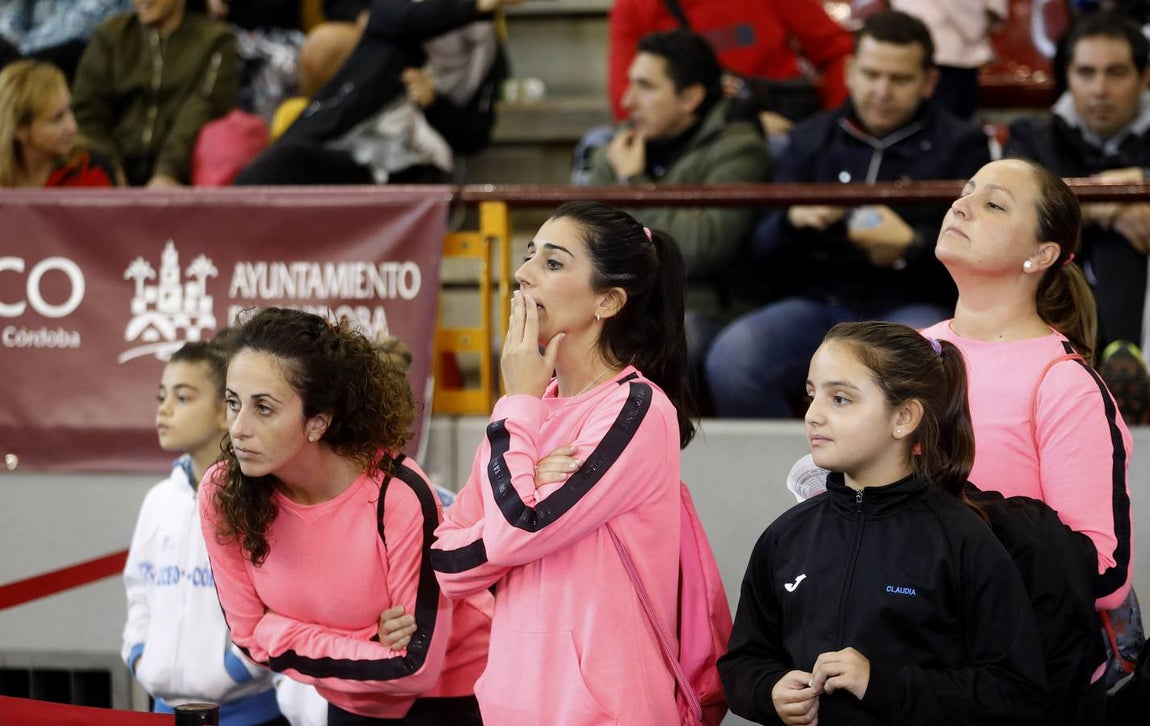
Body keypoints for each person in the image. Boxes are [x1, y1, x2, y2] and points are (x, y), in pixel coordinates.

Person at [429, 202, 697, 725]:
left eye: (552, 263)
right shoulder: (528, 406)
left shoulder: (635, 409)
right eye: (529, 257)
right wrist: (523, 488)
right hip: (510, 705)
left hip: (603, 711)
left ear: (608, 301)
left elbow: (515, 531)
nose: (522, 274)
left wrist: (518, 504)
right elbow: (446, 564)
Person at [718, 321, 1049, 725]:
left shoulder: (963, 540)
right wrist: (769, 691)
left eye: (840, 399)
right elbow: (742, 662)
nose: (813, 415)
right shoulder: (785, 536)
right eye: (810, 395)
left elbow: (1017, 693)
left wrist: (881, 684)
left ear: (904, 417)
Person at [199, 307, 492, 725]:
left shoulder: (398, 494)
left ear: (316, 423)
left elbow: (414, 667)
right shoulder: (221, 491)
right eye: (233, 403)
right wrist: (367, 638)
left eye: (263, 408)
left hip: (454, 695)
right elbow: (248, 637)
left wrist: (280, 629)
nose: (239, 428)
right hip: (352, 694)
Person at [705, 9, 993, 418]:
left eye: (900, 79)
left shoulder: (963, 146)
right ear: (850, 71)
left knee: (925, 365)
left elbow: (983, 259)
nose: (882, 90)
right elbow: (758, 258)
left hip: (913, 303)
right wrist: (791, 224)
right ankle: (795, 478)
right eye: (872, 74)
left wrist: (912, 245)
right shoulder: (809, 139)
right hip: (819, 302)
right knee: (736, 359)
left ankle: (901, 483)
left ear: (929, 82)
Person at [921, 157, 1135, 706]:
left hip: (1015, 676)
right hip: (904, 658)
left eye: (993, 203)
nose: (961, 205)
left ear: (1039, 255)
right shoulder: (905, 354)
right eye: (965, 190)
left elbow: (1105, 576)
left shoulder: (1064, 384)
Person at [581, 29, 773, 389]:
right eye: (630, 84)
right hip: (619, 303)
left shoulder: (738, 151)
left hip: (704, 308)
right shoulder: (617, 147)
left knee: (645, 344)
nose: (628, 100)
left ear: (690, 97)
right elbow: (587, 240)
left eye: (646, 87)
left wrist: (633, 184)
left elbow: (700, 248)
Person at [123, 338, 284, 724]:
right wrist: (141, 656)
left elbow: (280, 605)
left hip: (251, 712)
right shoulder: (159, 499)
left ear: (223, 411)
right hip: (165, 710)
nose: (163, 409)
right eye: (162, 395)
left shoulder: (263, 499)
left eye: (183, 397)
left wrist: (233, 670)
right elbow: (139, 591)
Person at [235, 0, 516, 185]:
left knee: (284, 163)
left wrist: (434, 103)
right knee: (278, 164)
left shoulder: (484, 50)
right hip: (342, 147)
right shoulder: (399, 22)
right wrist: (474, 5)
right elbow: (394, 17)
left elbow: (475, 136)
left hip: (406, 172)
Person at [1005, 11, 1150, 357]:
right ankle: (1106, 360)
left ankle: (1115, 361)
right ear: (1068, 76)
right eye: (1086, 73)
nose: (1100, 89)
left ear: (1145, 77)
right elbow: (1011, 206)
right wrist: (1109, 201)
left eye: (1116, 73)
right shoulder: (1032, 136)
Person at [607, 0, 854, 134]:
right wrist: (744, 122)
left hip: (780, 126)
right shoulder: (636, 7)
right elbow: (626, 101)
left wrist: (828, 127)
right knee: (595, 144)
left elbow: (839, 52)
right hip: (693, 134)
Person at [71, 0, 240, 186]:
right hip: (109, 176)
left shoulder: (216, 41)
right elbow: (87, 111)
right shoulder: (110, 36)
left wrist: (168, 171)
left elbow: (202, 110)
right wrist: (109, 168)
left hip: (184, 181)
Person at [0, 59, 117, 187]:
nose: (73, 127)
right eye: (57, 119)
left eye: (69, 110)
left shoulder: (91, 171)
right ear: (19, 129)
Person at [888, 1, 1008, 119]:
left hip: (962, 57)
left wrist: (979, 24)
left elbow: (994, 10)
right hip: (916, 48)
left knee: (956, 123)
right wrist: (976, 24)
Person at [0, 0, 130, 81]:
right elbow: (9, 21)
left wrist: (12, 57)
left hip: (69, 75)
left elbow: (72, 32)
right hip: (21, 69)